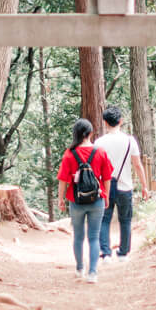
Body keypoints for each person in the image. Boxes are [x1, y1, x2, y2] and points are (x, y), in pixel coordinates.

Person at [56, 117, 114, 283]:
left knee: (78, 237)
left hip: (76, 201)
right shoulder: (100, 152)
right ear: (90, 133)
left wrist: (61, 199)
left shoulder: (69, 154)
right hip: (97, 199)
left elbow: (63, 180)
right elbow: (107, 177)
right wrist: (107, 196)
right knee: (94, 237)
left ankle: (80, 268)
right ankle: (93, 273)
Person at [94, 106, 147, 262]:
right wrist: (144, 186)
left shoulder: (99, 142)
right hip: (125, 186)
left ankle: (105, 253)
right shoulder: (130, 141)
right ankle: (123, 253)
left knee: (104, 219)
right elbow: (137, 164)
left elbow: (96, 168)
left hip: (105, 186)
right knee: (125, 219)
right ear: (121, 121)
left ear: (105, 123)